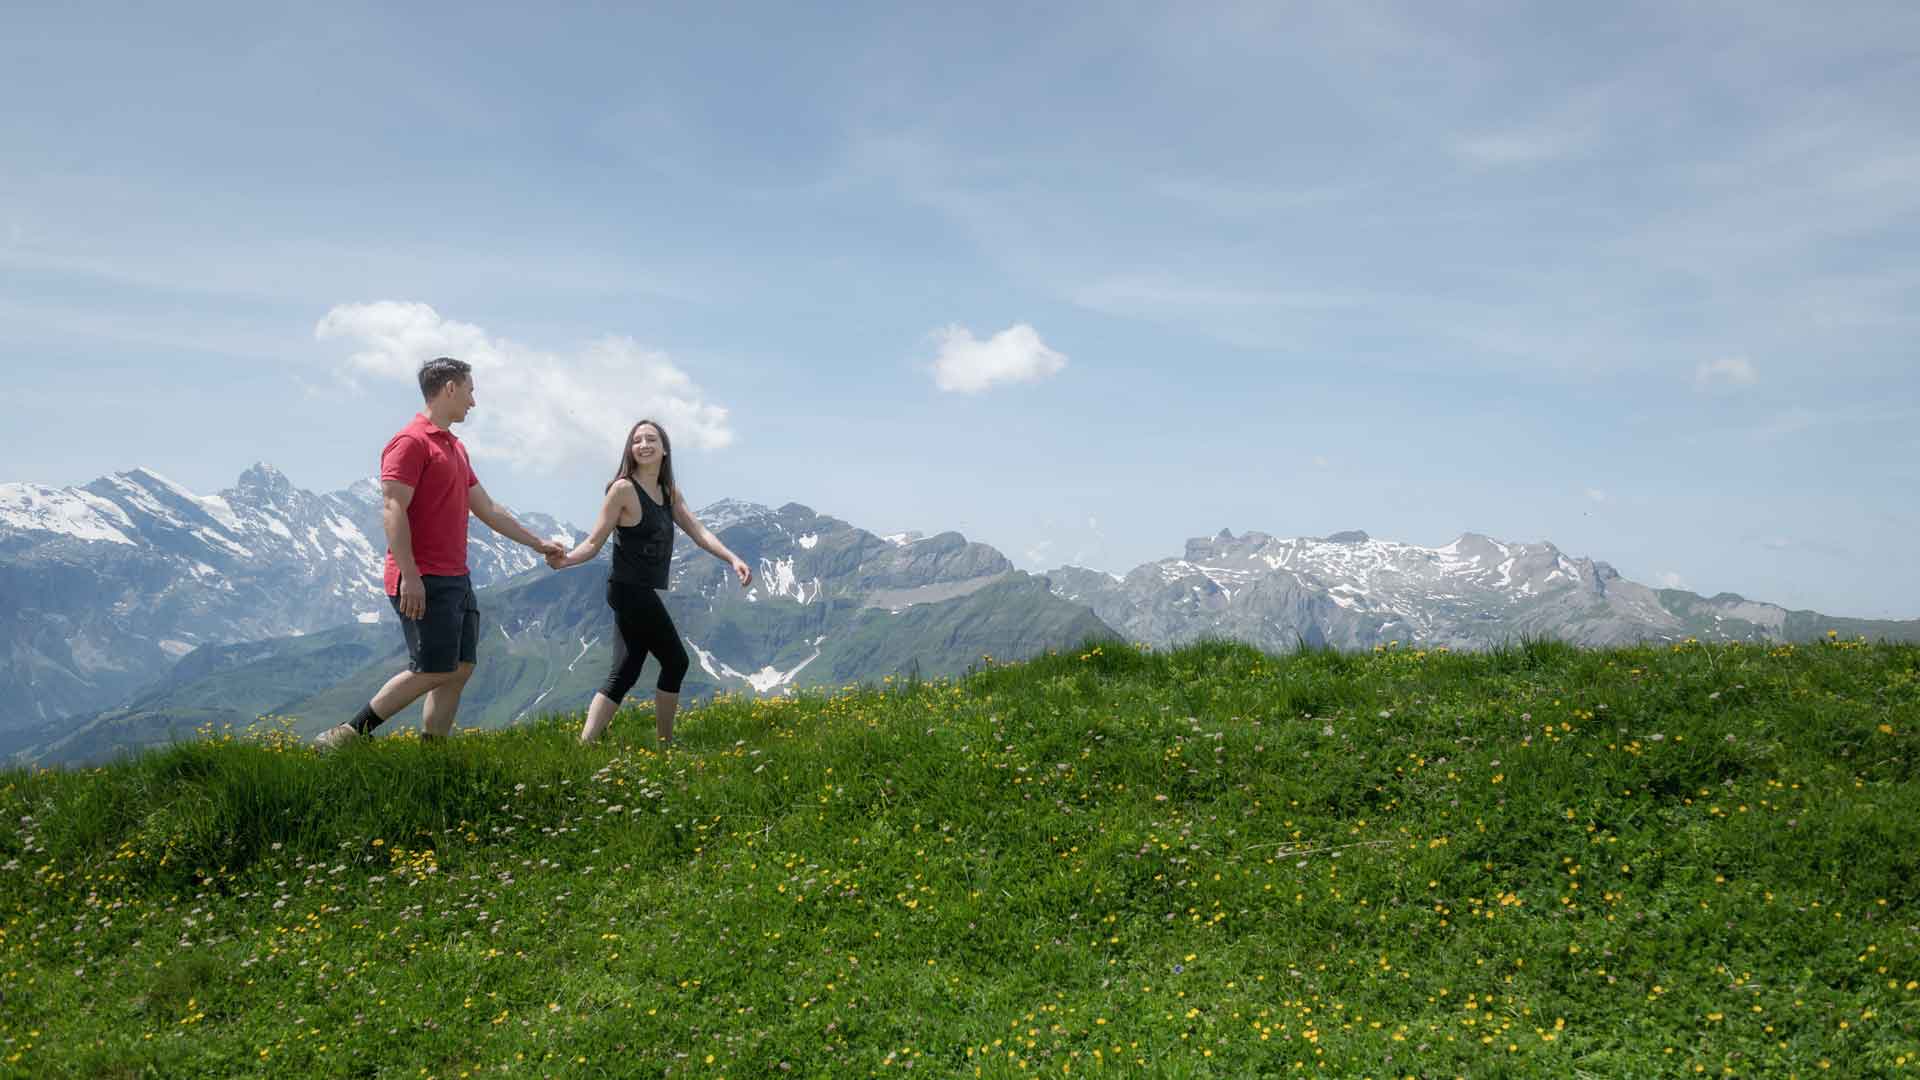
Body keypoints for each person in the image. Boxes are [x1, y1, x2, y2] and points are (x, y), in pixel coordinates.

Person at [315, 358, 565, 749]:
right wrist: (410, 576)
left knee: (459, 669)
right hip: (422, 578)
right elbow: (392, 508)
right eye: (469, 390)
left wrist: (538, 544)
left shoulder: (454, 448)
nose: (473, 402)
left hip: (455, 578)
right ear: (450, 388)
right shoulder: (410, 443)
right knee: (432, 669)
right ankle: (346, 735)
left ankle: (434, 755)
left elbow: (488, 508)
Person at [548, 419, 752, 745]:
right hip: (629, 589)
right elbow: (594, 542)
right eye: (637, 440)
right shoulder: (623, 489)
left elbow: (699, 532)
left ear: (664, 449)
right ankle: (664, 744)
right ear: (630, 449)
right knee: (676, 661)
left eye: (651, 439)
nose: (643, 444)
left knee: (626, 670)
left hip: (637, 590)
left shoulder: (669, 493)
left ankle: (584, 745)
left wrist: (732, 558)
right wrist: (566, 560)